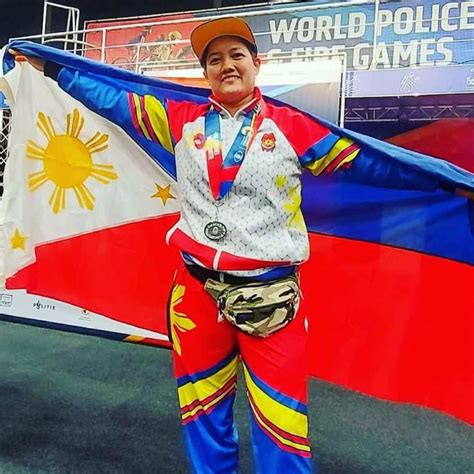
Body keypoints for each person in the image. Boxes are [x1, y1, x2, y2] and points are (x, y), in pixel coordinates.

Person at [9, 16, 474, 474]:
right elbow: (111, 97)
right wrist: (53, 68)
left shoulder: (292, 126)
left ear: (256, 64)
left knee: (281, 424)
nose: (226, 65)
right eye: (214, 59)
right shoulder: (181, 119)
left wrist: (448, 183)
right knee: (202, 414)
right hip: (195, 294)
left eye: (236, 55)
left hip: (270, 298)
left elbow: (373, 162)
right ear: (206, 71)